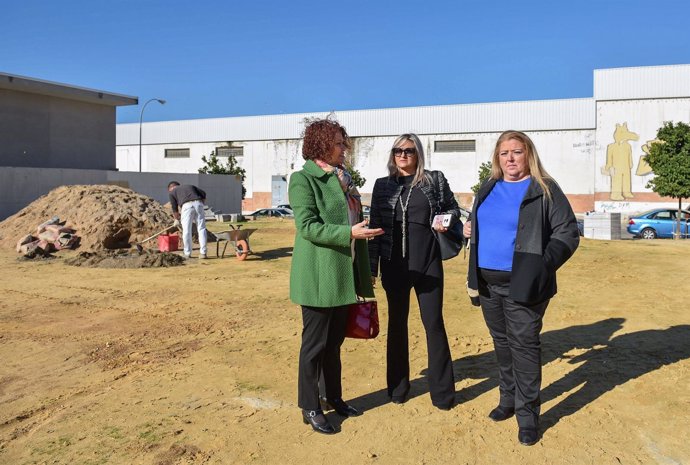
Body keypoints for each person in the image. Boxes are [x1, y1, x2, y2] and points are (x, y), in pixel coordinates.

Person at [463, 130, 580, 446]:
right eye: (504, 153)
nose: (510, 159)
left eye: (517, 152)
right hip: (487, 283)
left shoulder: (544, 189)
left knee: (524, 347)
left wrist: (540, 266)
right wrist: (470, 228)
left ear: (529, 154)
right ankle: (508, 400)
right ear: (497, 159)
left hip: (524, 285)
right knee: (502, 344)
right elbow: (482, 225)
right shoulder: (488, 188)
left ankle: (528, 416)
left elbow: (567, 233)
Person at [289, 118, 383, 435]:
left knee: (334, 345)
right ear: (322, 144)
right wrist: (349, 231)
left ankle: (335, 398)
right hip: (318, 277)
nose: (345, 149)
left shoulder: (345, 181)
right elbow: (308, 227)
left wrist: (364, 270)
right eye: (340, 143)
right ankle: (310, 406)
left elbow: (352, 224)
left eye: (345, 144)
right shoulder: (303, 180)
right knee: (314, 346)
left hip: (343, 275)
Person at [368, 133, 460, 411]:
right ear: (392, 155)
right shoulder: (382, 186)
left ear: (418, 153)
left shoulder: (434, 180)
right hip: (394, 265)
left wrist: (447, 220)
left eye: (409, 150)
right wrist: (371, 269)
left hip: (428, 264)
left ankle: (443, 394)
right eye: (398, 151)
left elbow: (453, 209)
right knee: (397, 326)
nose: (403, 155)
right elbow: (375, 227)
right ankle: (398, 388)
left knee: (434, 325)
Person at [167, 181, 208, 259]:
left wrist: (176, 219)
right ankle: (203, 253)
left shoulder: (172, 192)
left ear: (171, 188)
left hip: (187, 206)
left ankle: (187, 253)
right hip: (199, 204)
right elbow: (204, 193)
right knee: (202, 229)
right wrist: (200, 203)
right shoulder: (190, 185)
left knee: (186, 230)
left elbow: (174, 208)